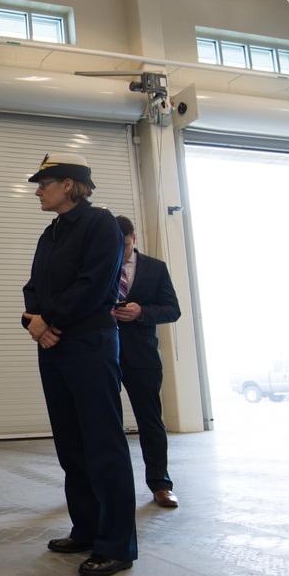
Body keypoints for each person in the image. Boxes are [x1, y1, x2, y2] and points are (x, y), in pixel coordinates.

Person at [21, 154, 137, 576]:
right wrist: (33, 322)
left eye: (44, 183)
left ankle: (116, 544)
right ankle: (87, 529)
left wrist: (47, 320)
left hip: (89, 343)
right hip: (53, 345)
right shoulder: (50, 234)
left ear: (69, 185)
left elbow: (93, 284)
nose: (38, 190)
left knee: (103, 444)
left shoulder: (100, 224)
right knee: (71, 444)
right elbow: (32, 286)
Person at [113, 216, 182, 508]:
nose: (120, 251)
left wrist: (141, 312)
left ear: (135, 238)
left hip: (142, 355)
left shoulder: (156, 268)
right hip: (103, 354)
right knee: (105, 424)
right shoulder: (98, 265)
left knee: (151, 422)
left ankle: (160, 485)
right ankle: (107, 486)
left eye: (125, 245)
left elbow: (172, 309)